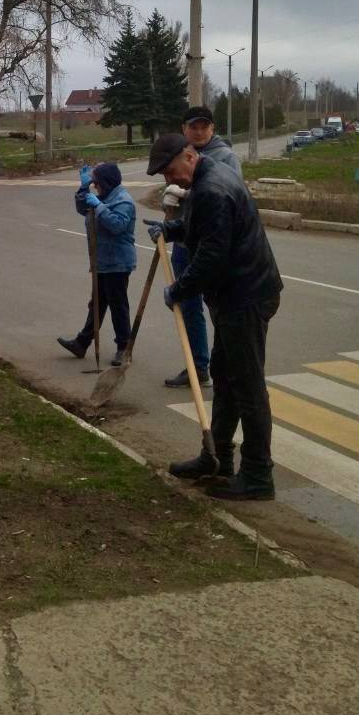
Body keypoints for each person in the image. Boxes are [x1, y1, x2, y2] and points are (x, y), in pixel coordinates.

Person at [145, 132, 283, 501]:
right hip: (238, 294)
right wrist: (172, 229)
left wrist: (178, 290)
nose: (167, 179)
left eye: (168, 170)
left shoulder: (211, 190)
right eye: (162, 175)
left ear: (189, 156)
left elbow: (210, 256)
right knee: (225, 376)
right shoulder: (210, 178)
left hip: (246, 296)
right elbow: (204, 227)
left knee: (248, 387)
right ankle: (216, 457)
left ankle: (257, 475)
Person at [164, 105, 243, 390]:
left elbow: (226, 195)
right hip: (185, 240)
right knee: (187, 305)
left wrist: (185, 193)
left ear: (212, 128)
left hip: (211, 242)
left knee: (217, 304)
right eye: (193, 126)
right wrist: (170, 207)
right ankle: (198, 367)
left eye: (204, 126)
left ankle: (225, 368)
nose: (199, 131)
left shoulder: (225, 157)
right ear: (184, 128)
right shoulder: (181, 154)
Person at [57, 162, 136, 365]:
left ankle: (124, 348)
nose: (95, 187)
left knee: (118, 306)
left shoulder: (123, 200)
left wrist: (99, 207)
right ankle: (82, 343)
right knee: (97, 304)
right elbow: (82, 207)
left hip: (117, 263)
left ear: (106, 182)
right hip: (101, 260)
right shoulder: (102, 196)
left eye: (96, 183)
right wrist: (83, 188)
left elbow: (117, 225)